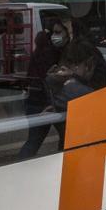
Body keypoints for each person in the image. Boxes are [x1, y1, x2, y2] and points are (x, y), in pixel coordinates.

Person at [18, 21, 71, 158]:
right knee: (65, 137)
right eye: (53, 33)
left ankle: (21, 165)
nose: (54, 37)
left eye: (58, 33)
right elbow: (48, 81)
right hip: (46, 103)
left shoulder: (37, 53)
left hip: (35, 101)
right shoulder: (50, 54)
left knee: (35, 140)